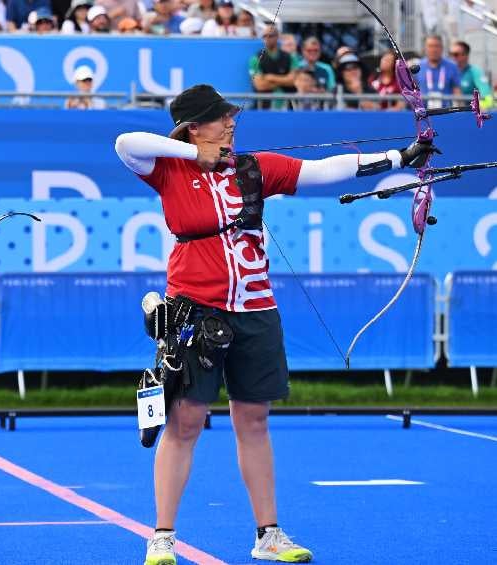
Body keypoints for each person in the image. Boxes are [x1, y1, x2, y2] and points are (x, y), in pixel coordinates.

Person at [114, 84, 437, 565]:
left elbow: (324, 170)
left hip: (256, 308)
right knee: (183, 422)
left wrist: (400, 156)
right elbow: (126, 142)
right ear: (193, 127)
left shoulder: (254, 166)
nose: (230, 123)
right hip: (195, 312)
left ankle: (268, 533)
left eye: (229, 116)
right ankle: (162, 536)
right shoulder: (170, 169)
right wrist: (195, 152)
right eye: (219, 118)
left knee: (254, 418)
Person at [248, 24, 295, 110]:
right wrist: (284, 81)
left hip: (287, 107)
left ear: (277, 37)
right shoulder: (255, 58)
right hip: (264, 107)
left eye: (270, 35)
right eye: (264, 36)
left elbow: (293, 81)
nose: (267, 38)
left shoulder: (289, 57)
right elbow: (260, 85)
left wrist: (270, 77)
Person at [418, 34, 461, 108]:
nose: (434, 50)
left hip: (446, 112)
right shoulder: (418, 67)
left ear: (442, 48)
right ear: (425, 48)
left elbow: (457, 92)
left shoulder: (452, 66)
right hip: (423, 113)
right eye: (430, 46)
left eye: (436, 46)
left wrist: (458, 112)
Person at [450, 40, 493, 110]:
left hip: (468, 115)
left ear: (465, 55)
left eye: (455, 54)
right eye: (450, 54)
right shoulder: (447, 71)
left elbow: (487, 96)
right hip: (449, 114)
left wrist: (478, 110)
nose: (452, 57)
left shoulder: (475, 72)